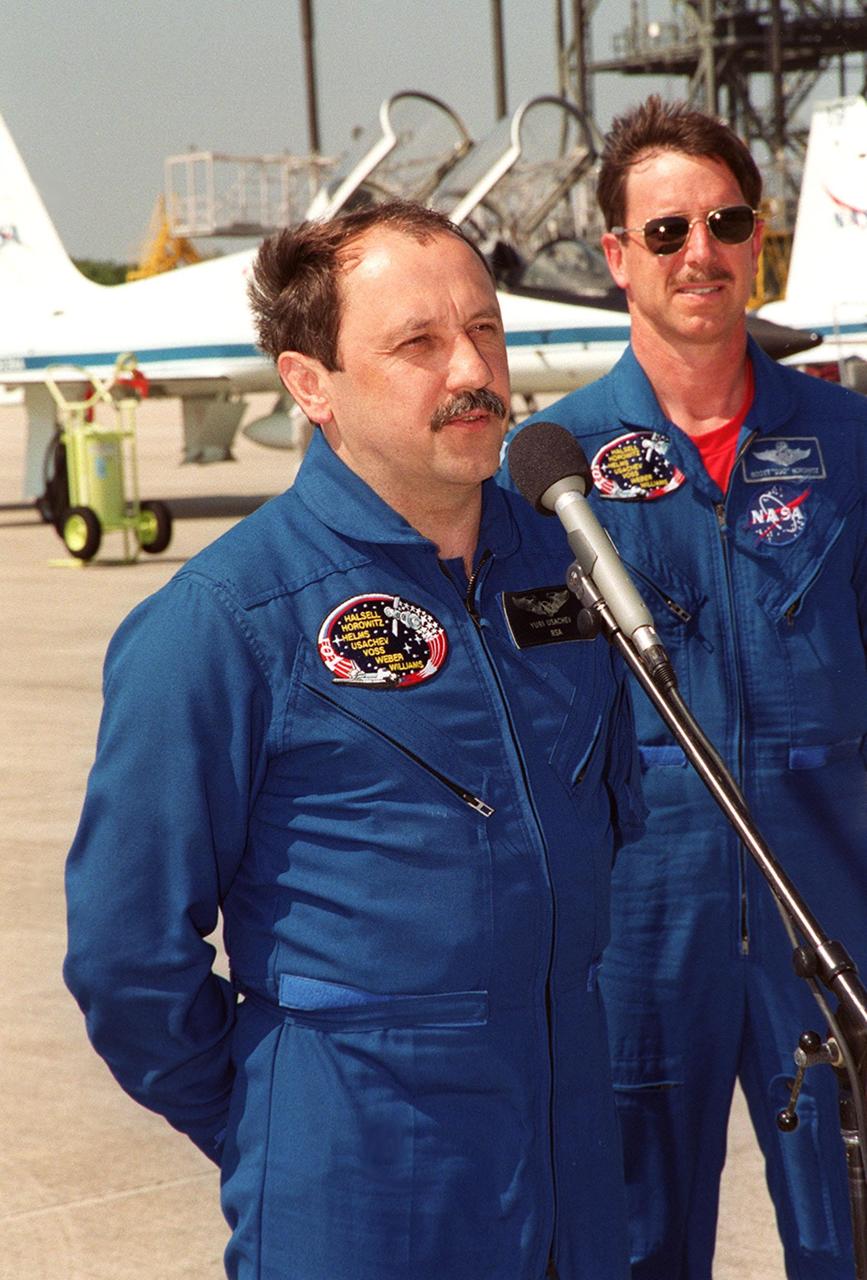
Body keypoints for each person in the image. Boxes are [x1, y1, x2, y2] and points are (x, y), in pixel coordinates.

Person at [64, 201, 646, 1280]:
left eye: (485, 330)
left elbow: (608, 821)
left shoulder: (564, 565)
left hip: (570, 1167)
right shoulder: (227, 619)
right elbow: (125, 956)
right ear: (310, 383)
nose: (471, 368)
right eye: (419, 343)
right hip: (362, 1183)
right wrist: (275, 1112)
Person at [507, 96, 867, 1278]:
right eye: (665, 231)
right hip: (638, 922)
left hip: (832, 907)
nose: (697, 252)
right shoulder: (545, 472)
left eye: (724, 222)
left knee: (849, 1230)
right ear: (616, 257)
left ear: (755, 239)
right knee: (636, 1243)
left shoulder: (849, 444)